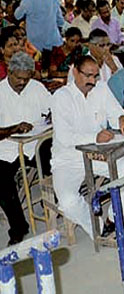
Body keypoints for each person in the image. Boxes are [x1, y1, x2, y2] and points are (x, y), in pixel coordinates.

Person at [52, 56, 124, 237]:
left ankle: (115, 219)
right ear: (74, 71)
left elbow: (116, 111)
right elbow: (64, 137)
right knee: (67, 201)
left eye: (95, 76)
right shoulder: (61, 97)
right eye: (87, 76)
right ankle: (96, 226)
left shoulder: (101, 88)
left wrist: (122, 119)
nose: (92, 81)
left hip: (97, 153)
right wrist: (95, 137)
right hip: (69, 158)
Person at [0, 53, 54, 244]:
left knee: (56, 159)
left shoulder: (37, 88)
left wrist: (51, 117)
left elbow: (51, 108)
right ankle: (18, 226)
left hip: (36, 144)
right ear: (10, 72)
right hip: (7, 149)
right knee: (1, 181)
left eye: (26, 78)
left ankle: (59, 203)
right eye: (19, 78)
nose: (23, 82)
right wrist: (13, 128)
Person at [14, 0, 64, 67]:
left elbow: (17, 16)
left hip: (35, 45)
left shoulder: (27, 2)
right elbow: (60, 21)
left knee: (37, 70)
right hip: (53, 42)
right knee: (54, 68)